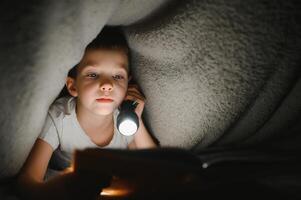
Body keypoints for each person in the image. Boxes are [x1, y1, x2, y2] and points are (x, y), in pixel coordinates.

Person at [16, 26, 158, 200]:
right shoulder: (60, 118)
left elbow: (156, 167)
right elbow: (27, 181)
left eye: (117, 76)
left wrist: (136, 117)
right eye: (92, 74)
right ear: (73, 86)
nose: (107, 85)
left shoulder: (125, 120)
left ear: (128, 85)